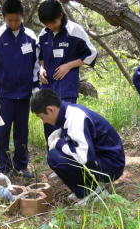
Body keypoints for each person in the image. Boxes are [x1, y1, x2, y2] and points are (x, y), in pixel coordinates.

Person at [31, 89, 125, 205]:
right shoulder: (68, 111)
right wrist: (61, 133)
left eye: (41, 117)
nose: (44, 122)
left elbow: (83, 156)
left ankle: (94, 192)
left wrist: (59, 143)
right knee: (57, 154)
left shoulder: (75, 118)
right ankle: (85, 189)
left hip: (111, 165)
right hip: (102, 158)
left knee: (55, 157)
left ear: (51, 109)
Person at [0, 0, 40, 178]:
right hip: (2, 96)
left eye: (16, 20)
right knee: (2, 132)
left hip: (23, 95)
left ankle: (22, 165)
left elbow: (36, 65)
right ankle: (4, 167)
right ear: (3, 18)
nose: (14, 24)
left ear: (22, 17)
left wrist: (35, 87)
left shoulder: (30, 36)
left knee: (22, 132)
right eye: (10, 20)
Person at [37, 0, 97, 141]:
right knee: (49, 125)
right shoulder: (43, 34)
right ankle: (53, 158)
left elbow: (91, 54)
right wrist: (41, 68)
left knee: (66, 124)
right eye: (47, 25)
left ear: (61, 15)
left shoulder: (75, 30)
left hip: (67, 87)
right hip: (47, 87)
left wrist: (69, 65)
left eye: (54, 23)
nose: (51, 27)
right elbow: (40, 57)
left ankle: (69, 158)